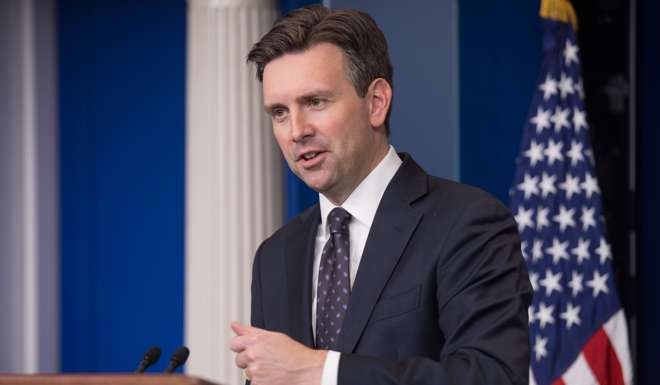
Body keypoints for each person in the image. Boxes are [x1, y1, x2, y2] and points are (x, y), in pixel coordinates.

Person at [229, 5, 532, 385]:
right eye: (279, 112)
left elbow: (493, 377)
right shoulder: (274, 257)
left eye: (315, 102)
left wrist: (321, 371)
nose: (296, 131)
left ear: (376, 102)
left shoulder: (468, 223)